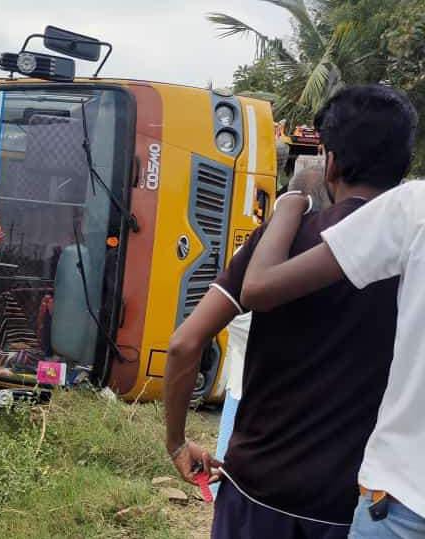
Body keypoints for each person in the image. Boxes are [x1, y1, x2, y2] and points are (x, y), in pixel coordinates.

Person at [163, 84, 412, 539]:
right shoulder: (411, 259)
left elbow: (184, 344)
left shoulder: (280, 244)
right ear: (404, 168)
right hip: (354, 502)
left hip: (257, 489)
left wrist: (177, 441)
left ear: (330, 162)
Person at [240, 100, 423, 536]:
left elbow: (256, 290)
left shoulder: (412, 212)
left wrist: (284, 212)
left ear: (332, 162)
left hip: (401, 501)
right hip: (341, 497)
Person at [208, 166, 326, 498]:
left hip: (242, 384)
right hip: (289, 402)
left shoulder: (250, 254)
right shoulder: (323, 263)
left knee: (232, 474)